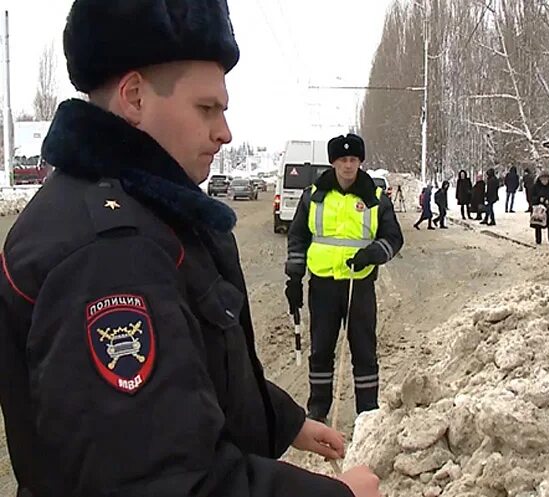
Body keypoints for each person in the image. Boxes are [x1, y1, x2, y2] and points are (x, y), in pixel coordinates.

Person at [0, 2, 382, 496]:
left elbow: (187, 378)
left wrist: (282, 423)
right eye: (207, 108)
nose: (224, 131)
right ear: (135, 97)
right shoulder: (108, 254)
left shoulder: (142, 208)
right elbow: (161, 481)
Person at [285, 133, 404, 424]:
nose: (348, 165)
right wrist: (294, 278)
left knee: (364, 350)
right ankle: (318, 407)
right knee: (321, 350)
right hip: (323, 285)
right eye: (342, 160)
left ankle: (367, 410)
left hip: (359, 284)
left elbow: (393, 238)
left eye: (353, 160)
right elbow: (298, 237)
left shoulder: (374, 197)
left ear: (360, 162)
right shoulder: (314, 195)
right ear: (333, 162)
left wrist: (373, 253)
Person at [532, 171, 549, 246]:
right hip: (538, 209)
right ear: (540, 179)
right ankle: (538, 240)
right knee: (538, 224)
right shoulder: (536, 187)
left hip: (547, 209)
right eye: (543, 179)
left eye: (546, 179)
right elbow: (532, 197)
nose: (544, 181)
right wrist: (538, 199)